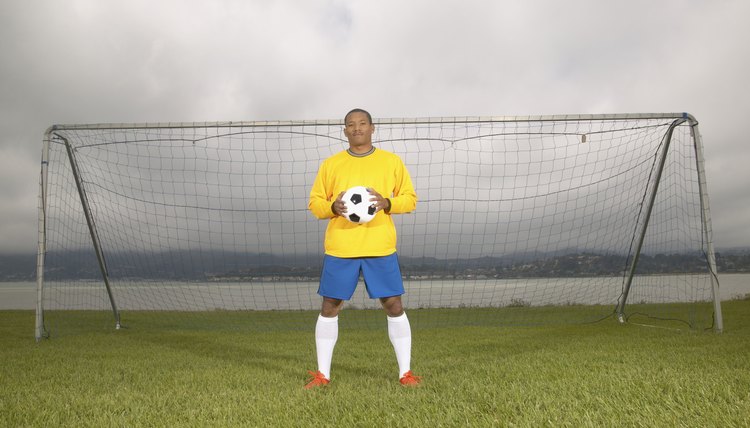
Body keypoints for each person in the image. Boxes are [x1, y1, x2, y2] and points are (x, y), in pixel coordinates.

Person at [305, 108, 420, 388]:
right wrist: (331, 207)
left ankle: (406, 373)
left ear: (372, 128)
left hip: (379, 245)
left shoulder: (391, 162)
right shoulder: (331, 165)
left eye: (362, 123)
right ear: (345, 131)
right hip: (341, 247)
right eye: (350, 124)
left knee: (393, 305)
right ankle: (323, 375)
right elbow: (315, 203)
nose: (356, 128)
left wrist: (388, 203)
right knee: (330, 306)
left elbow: (410, 199)